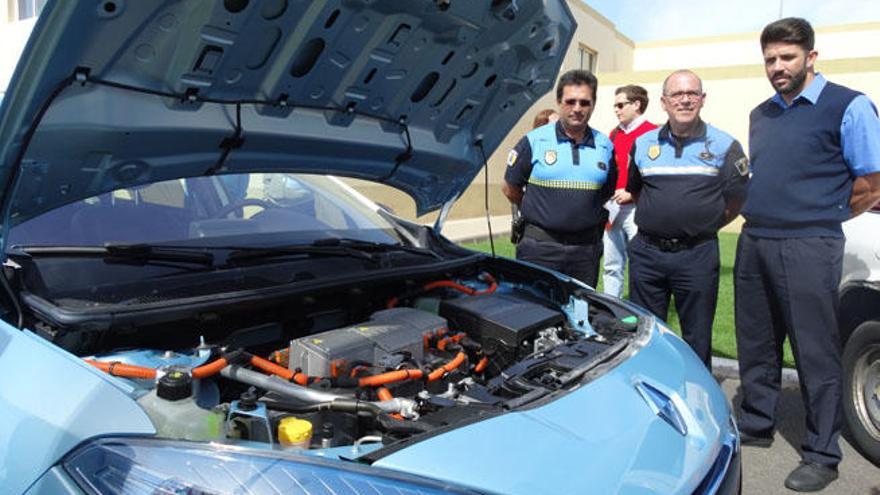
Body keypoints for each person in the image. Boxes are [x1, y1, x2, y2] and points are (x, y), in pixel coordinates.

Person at [735, 17, 880, 492]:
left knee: (815, 350)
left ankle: (822, 452)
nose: (778, 67)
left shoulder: (850, 106)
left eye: (787, 58)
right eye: (771, 59)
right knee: (757, 342)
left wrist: (821, 215)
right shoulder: (762, 114)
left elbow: (870, 183)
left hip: (810, 244)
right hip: (755, 240)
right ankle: (756, 423)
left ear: (811, 57)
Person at [626, 70, 748, 368]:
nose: (685, 100)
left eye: (692, 93)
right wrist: (663, 220)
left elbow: (737, 199)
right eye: (677, 94)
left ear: (702, 100)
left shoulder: (725, 145)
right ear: (664, 102)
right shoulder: (643, 145)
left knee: (697, 337)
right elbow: (638, 192)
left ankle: (696, 400)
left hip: (697, 255)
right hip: (647, 254)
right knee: (644, 336)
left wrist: (699, 225)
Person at [502, 70, 616, 286]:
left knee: (579, 315)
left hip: (585, 251)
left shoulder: (605, 145)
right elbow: (510, 188)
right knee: (534, 313)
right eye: (570, 101)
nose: (577, 108)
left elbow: (605, 191)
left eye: (584, 102)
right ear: (558, 102)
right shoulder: (534, 141)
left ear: (593, 104)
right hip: (539, 248)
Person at [602, 85, 657, 298]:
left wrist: (634, 194)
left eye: (620, 105)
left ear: (637, 105)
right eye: (615, 106)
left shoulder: (653, 133)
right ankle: (610, 305)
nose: (616, 110)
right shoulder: (614, 134)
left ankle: (639, 306)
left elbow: (655, 176)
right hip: (613, 207)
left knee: (640, 262)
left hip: (637, 208)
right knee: (611, 263)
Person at [511, 109, 562, 244]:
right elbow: (510, 187)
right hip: (538, 227)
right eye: (556, 123)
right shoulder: (530, 148)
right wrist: (531, 206)